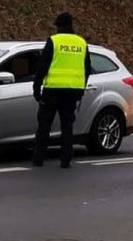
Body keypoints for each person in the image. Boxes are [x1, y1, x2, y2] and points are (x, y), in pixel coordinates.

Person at [32, 12, 93, 168]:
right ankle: (65, 160)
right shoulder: (81, 43)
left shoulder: (54, 41)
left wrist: (36, 86)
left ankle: (39, 158)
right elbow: (87, 69)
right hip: (72, 91)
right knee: (67, 126)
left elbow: (43, 66)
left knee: (44, 124)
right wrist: (82, 88)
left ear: (59, 26)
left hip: (52, 89)